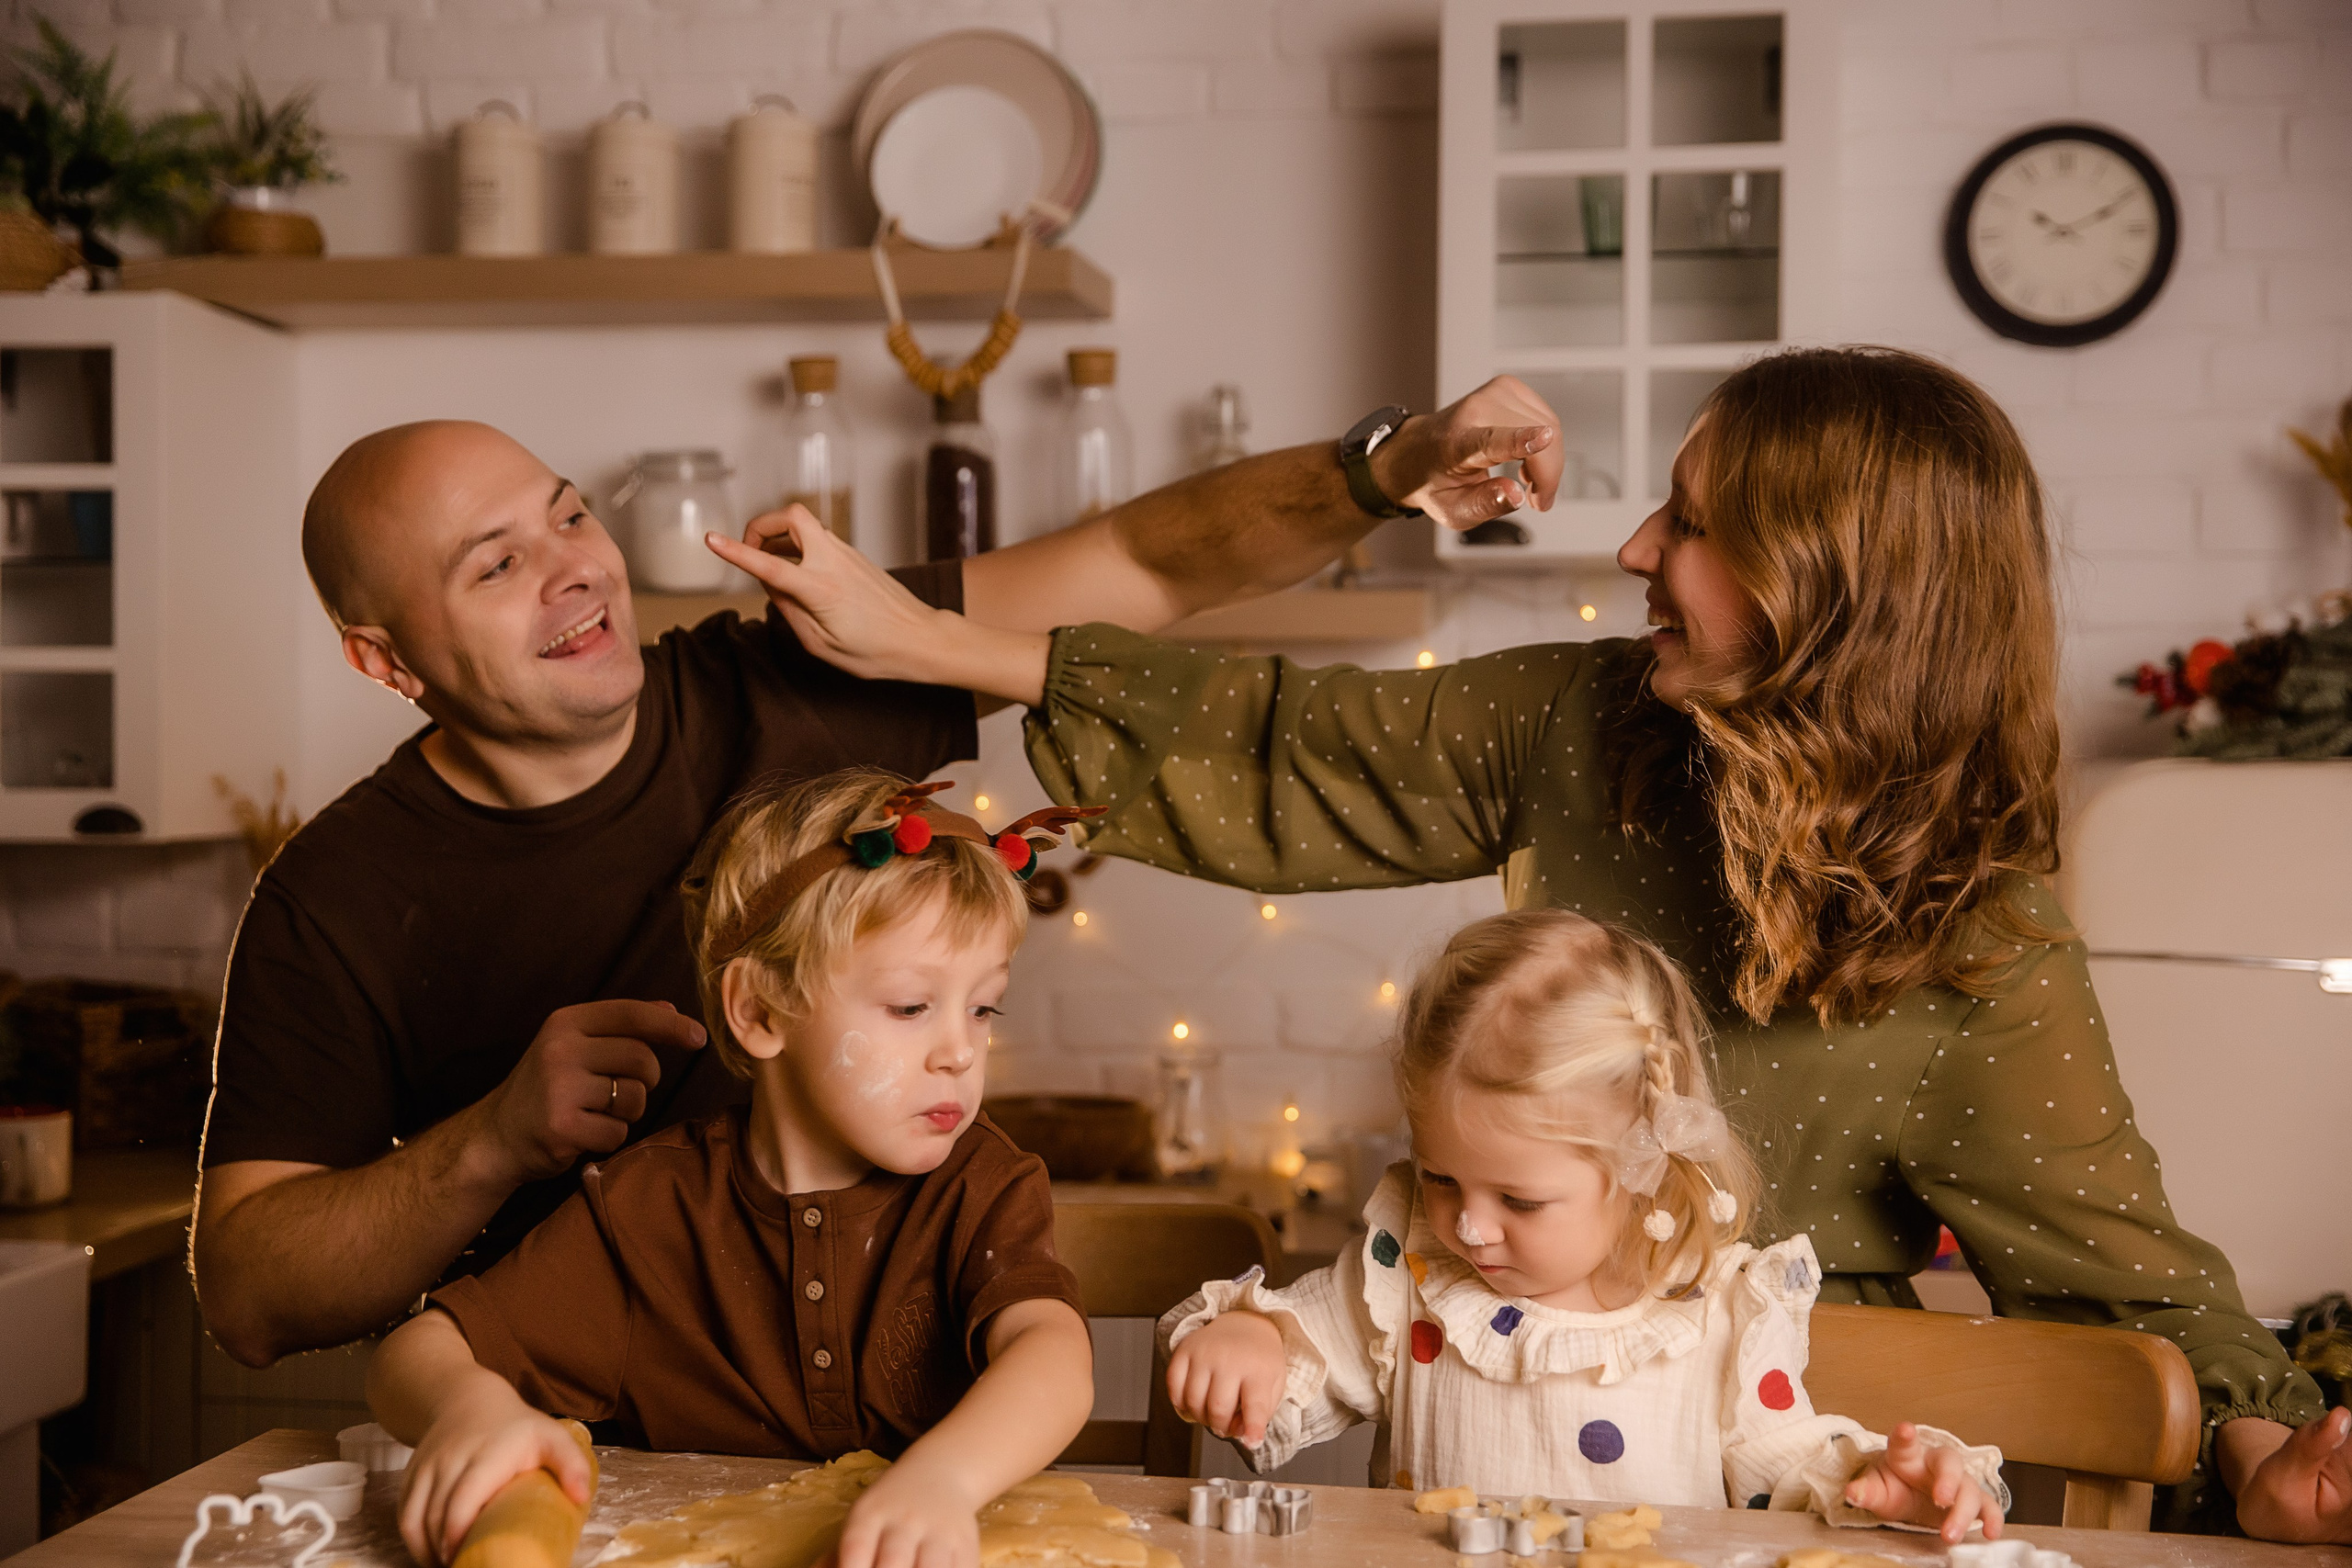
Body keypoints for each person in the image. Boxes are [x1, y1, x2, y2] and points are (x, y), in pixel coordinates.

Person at [722, 345, 2350, 1542]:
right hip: (1466, 1477)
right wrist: (929, 641)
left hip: (1751, 1492)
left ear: (1832, 597)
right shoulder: (1591, 726)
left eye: (1694, 527)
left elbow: (2127, 1276)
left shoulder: (1981, 947)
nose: (1637, 549)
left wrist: (2276, 1448)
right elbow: (1291, 738)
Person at [193, 381, 1562, 1368]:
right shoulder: (333, 897)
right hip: (578, 1477)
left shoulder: (799, 673)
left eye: (567, 516)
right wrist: (490, 1141)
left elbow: (1141, 561)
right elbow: (251, 1292)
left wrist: (1385, 467)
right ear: (386, 659)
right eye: (498, 564)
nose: (575, 572)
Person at [368, 769, 1094, 1568]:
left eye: (983, 1007)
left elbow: (1052, 1357)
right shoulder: (651, 1212)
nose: (960, 1051)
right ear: (761, 1011)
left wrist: (946, 1482)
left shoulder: (981, 1183)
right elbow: (416, 1353)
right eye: (911, 1007)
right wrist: (469, 1411)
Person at [1164, 908, 2007, 1543]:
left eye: (1519, 1200)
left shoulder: (1713, 1310)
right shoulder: (1412, 1272)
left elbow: (1786, 1466)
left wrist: (1881, 1481)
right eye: (1441, 1177)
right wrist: (1249, 1342)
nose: (1470, 1225)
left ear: (1642, 1170)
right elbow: (1304, 1344)